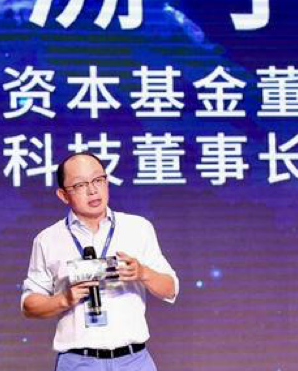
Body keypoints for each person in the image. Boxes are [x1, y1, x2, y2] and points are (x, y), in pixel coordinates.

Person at [21, 152, 179, 371]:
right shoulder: (48, 239)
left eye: (98, 180)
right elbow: (29, 304)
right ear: (63, 195)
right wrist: (63, 299)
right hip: (79, 361)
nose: (93, 190)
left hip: (134, 360)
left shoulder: (138, 228)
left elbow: (170, 289)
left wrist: (143, 273)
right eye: (80, 185)